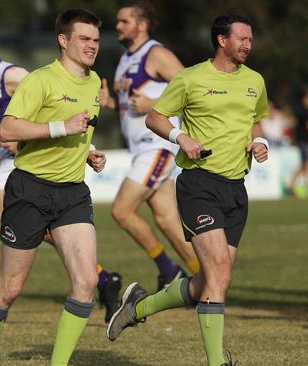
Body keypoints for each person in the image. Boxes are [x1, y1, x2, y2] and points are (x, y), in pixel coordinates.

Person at [107, 15, 269, 366]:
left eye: (251, 39)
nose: (248, 44)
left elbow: (256, 118)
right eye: (242, 38)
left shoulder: (255, 81)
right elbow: (155, 117)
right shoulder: (191, 77)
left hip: (236, 189)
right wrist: (181, 136)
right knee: (218, 275)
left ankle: (140, 305)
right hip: (199, 184)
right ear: (221, 41)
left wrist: (259, 141)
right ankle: (216, 362)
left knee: (211, 280)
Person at [0, 16, 121, 325]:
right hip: (19, 167)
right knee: (44, 231)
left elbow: (48, 100)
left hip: (18, 164)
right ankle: (103, 278)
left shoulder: (14, 75)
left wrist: (78, 144)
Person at [99, 0, 199, 291]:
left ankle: (169, 271)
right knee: (167, 220)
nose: (118, 26)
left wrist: (154, 104)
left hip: (157, 145)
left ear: (142, 25)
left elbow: (191, 88)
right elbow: (132, 104)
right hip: (142, 148)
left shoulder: (155, 53)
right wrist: (110, 103)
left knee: (121, 210)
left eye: (124, 21)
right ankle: (204, 278)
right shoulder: (126, 58)